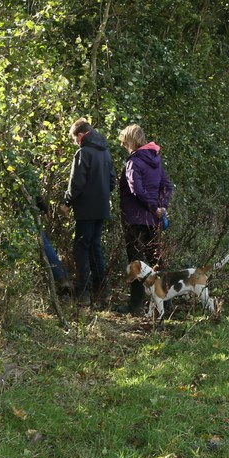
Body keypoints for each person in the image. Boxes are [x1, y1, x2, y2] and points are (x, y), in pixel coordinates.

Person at [116, 124, 174, 314]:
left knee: (136, 261)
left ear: (130, 141)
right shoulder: (155, 160)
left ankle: (136, 305)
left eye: (124, 142)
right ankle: (168, 302)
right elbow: (166, 185)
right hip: (153, 219)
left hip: (135, 218)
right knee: (156, 258)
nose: (124, 145)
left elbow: (136, 189)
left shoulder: (133, 162)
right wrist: (161, 207)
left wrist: (152, 206)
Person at [60, 119, 116, 307]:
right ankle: (103, 292)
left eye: (75, 139)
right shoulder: (106, 152)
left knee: (81, 249)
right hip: (101, 208)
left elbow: (77, 183)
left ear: (81, 134)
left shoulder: (83, 152)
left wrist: (67, 202)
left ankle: (83, 294)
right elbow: (112, 182)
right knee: (95, 249)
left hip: (85, 209)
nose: (76, 142)